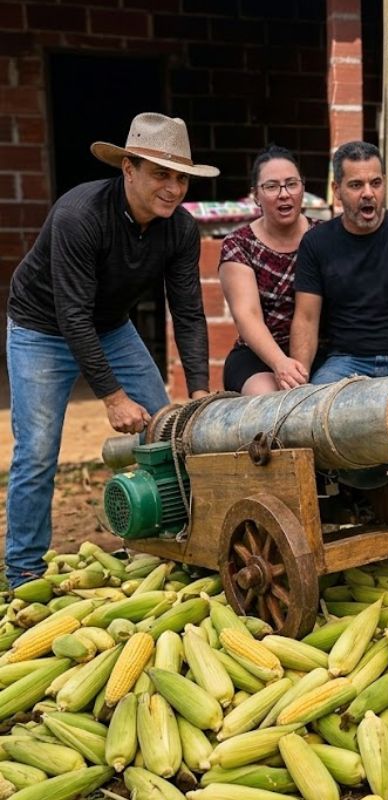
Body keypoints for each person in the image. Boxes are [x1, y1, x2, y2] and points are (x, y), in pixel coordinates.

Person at [4, 112, 215, 587]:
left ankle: (166, 539)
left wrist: (200, 389)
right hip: (42, 326)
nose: (174, 188)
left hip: (110, 327)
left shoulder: (180, 229)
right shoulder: (79, 215)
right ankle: (22, 569)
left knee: (170, 431)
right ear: (128, 169)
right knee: (37, 452)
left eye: (181, 177)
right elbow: (71, 315)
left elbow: (188, 312)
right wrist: (113, 397)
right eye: (161, 174)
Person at [290, 140, 388, 384]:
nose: (368, 193)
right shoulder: (316, 242)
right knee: (314, 411)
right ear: (337, 190)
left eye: (375, 183)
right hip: (345, 361)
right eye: (356, 185)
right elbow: (306, 318)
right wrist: (299, 380)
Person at [218, 145, 317, 395]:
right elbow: (247, 315)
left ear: (302, 188)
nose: (284, 194)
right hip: (258, 356)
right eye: (272, 186)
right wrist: (281, 364)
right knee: (271, 406)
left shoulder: (324, 236)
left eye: (291, 184)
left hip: (319, 350)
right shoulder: (238, 244)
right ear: (255, 195)